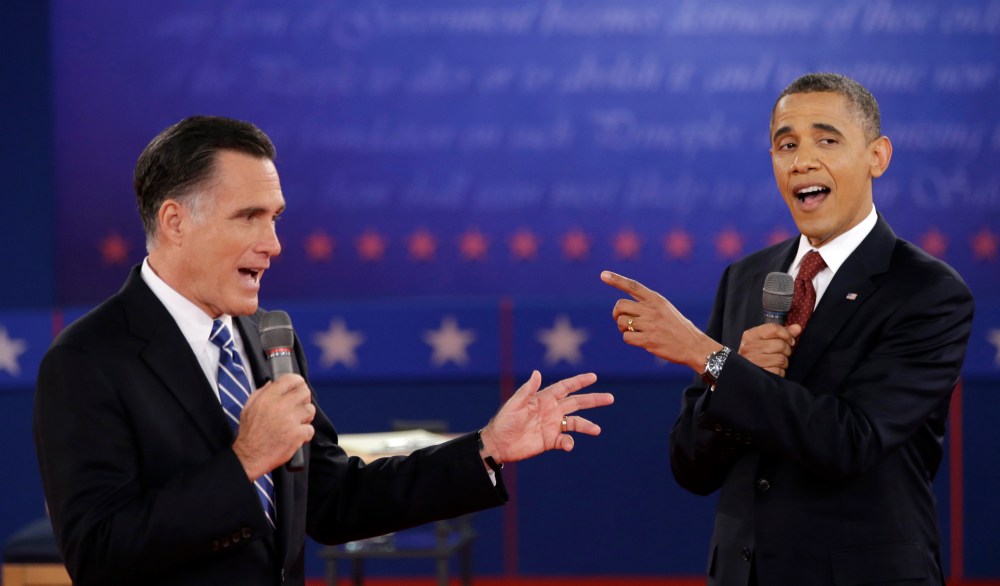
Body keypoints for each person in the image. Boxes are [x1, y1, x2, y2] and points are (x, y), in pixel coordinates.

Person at [34, 115, 614, 586]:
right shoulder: (87, 361)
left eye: (276, 218)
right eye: (250, 217)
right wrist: (243, 464)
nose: (274, 243)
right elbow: (99, 555)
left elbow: (337, 501)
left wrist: (485, 448)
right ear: (175, 221)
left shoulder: (268, 337)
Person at [601, 72, 973, 585]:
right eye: (786, 144)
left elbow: (850, 442)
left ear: (877, 157)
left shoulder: (927, 291)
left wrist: (713, 360)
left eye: (827, 139)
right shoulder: (747, 278)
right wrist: (734, 375)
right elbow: (690, 465)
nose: (802, 160)